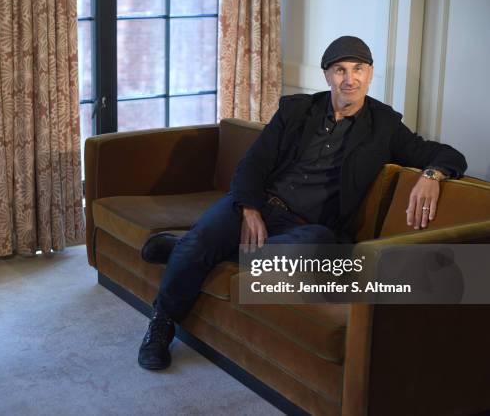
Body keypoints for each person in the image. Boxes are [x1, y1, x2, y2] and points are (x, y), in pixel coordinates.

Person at [136, 36, 467, 370]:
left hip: (309, 229)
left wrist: (431, 175)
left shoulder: (384, 126)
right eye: (340, 70)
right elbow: (254, 163)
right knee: (203, 238)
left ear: (369, 74)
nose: (349, 78)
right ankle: (161, 326)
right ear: (327, 75)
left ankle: (184, 250)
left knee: (279, 256)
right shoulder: (296, 110)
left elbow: (446, 154)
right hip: (259, 204)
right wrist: (250, 209)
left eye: (358, 69)